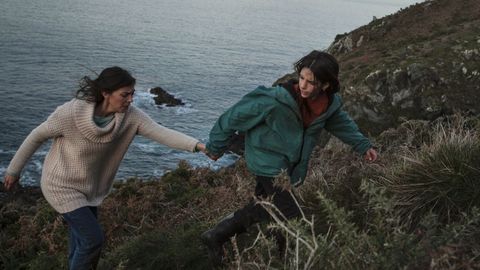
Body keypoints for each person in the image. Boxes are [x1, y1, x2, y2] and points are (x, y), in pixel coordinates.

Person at [2, 66, 206, 270]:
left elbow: (161, 132)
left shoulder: (131, 117)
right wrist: (13, 170)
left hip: (90, 188)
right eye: (124, 95)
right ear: (105, 93)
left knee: (82, 242)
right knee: (93, 240)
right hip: (60, 185)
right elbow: (36, 136)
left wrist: (198, 146)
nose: (130, 99)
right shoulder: (71, 113)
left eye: (132, 94)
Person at [201, 50, 378, 266]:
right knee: (292, 215)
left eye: (310, 82)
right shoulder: (274, 100)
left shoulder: (327, 106)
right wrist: (215, 146)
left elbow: (342, 124)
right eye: (301, 77)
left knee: (265, 207)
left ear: (325, 85)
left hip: (290, 164)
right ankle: (286, 260)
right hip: (267, 162)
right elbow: (233, 116)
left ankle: (218, 236)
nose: (303, 85)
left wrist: (363, 145)